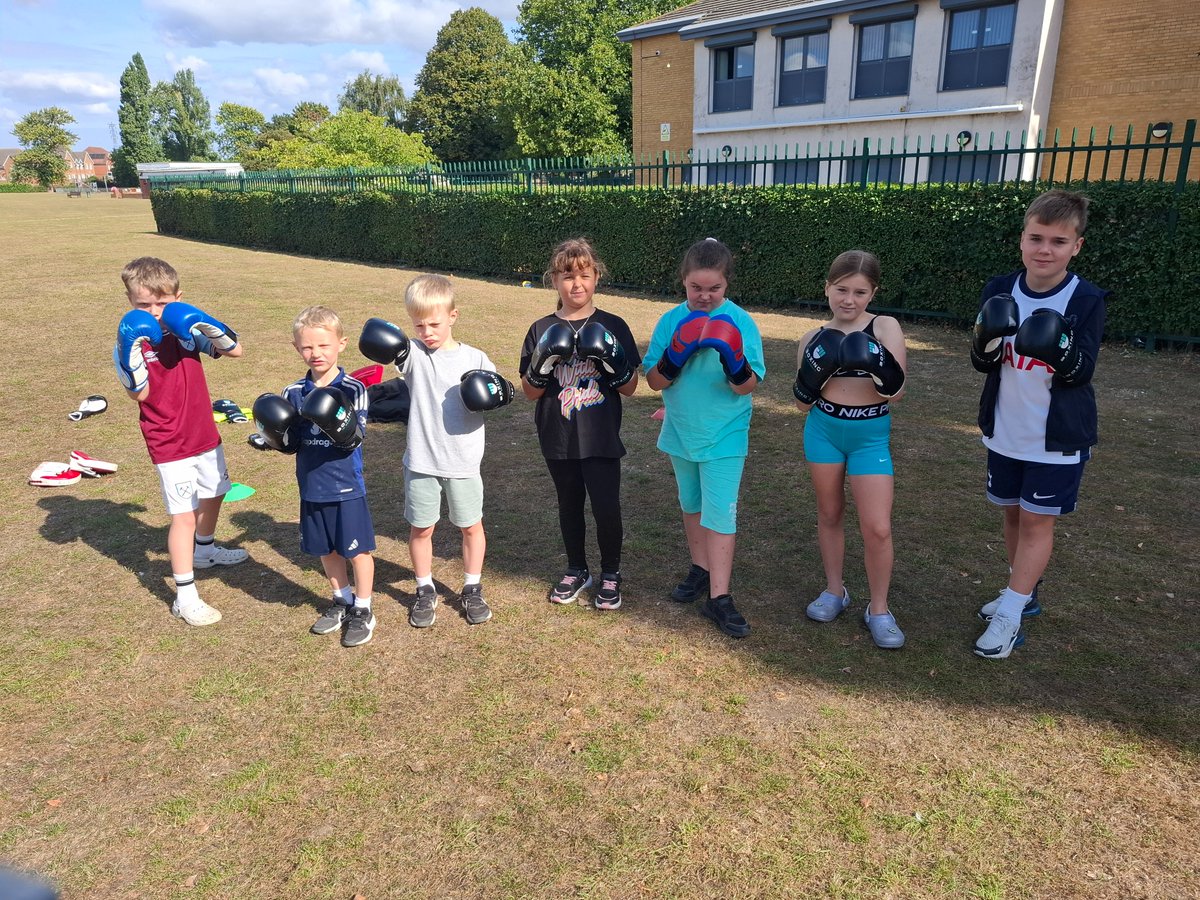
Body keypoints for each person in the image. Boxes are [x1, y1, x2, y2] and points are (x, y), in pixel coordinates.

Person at [969, 189, 1109, 660]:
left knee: (1036, 521)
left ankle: (1009, 614)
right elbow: (984, 361)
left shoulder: (1084, 297)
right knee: (1012, 513)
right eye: (1036, 238)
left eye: (1057, 241)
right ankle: (1020, 594)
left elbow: (1083, 369)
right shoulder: (999, 288)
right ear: (1022, 240)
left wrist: (1059, 349)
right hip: (1006, 426)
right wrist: (986, 341)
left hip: (1057, 436)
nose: (1044, 250)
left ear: (1076, 247)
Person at [358, 273, 513, 628]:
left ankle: (472, 587)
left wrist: (498, 392)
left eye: (434, 324)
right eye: (419, 324)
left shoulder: (476, 357)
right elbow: (394, 346)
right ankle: (424, 587)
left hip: (463, 460)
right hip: (422, 460)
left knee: (471, 526)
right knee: (421, 528)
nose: (427, 331)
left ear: (453, 317)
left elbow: (500, 391)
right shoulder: (413, 355)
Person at [114, 257, 246, 627]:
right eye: (144, 305)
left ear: (178, 297)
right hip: (167, 438)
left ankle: (205, 550)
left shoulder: (185, 328)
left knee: (217, 490)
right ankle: (185, 596)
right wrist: (131, 349)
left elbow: (235, 351)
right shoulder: (130, 337)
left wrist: (202, 321)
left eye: (163, 303)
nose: (155, 312)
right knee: (183, 515)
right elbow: (137, 394)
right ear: (130, 301)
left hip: (202, 430)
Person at [643, 238, 766, 638]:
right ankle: (701, 568)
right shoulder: (670, 321)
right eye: (697, 287)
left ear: (726, 284)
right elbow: (653, 380)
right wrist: (673, 357)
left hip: (725, 436)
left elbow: (748, 386)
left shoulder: (741, 322)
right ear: (684, 281)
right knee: (691, 505)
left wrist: (735, 361)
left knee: (720, 514)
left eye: (714, 288)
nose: (705, 296)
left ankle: (719, 597)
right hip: (681, 431)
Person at [793, 251, 908, 649]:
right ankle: (834, 590)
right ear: (827, 288)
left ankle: (879, 608)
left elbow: (897, 392)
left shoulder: (884, 326)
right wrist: (814, 372)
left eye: (859, 292)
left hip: (869, 436)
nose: (849, 299)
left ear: (872, 292)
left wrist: (875, 360)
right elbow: (802, 403)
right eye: (841, 289)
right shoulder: (812, 337)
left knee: (877, 526)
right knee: (829, 513)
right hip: (823, 430)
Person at [519, 238, 641, 610]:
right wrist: (542, 363)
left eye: (584, 276)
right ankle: (576, 568)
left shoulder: (612, 324)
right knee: (568, 505)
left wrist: (612, 360)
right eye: (567, 276)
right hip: (558, 435)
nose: (577, 284)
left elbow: (632, 387)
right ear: (553, 280)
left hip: (600, 433)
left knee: (606, 507)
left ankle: (611, 572)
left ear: (596, 277)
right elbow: (529, 392)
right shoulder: (541, 328)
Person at [250, 306, 377, 647]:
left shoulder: (353, 388)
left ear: (342, 344)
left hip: (346, 484)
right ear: (296, 348)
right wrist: (271, 438)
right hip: (311, 485)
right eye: (307, 347)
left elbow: (356, 436)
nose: (315, 354)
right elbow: (290, 442)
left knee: (357, 550)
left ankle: (363, 608)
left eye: (323, 346)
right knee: (326, 550)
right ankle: (342, 599)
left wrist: (332, 416)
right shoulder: (293, 392)